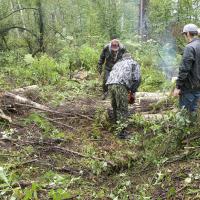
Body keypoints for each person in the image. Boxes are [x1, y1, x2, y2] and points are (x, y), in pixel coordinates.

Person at [106, 53, 141, 138]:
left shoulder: (117, 64)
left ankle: (116, 128)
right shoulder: (134, 63)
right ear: (131, 57)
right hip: (120, 85)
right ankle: (122, 133)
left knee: (115, 107)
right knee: (123, 108)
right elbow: (137, 79)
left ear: (123, 58)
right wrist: (133, 92)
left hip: (110, 85)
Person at [173, 24, 200, 112]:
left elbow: (184, 69)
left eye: (184, 34)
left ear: (188, 33)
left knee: (186, 114)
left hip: (189, 87)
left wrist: (178, 86)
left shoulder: (190, 47)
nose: (184, 36)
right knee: (196, 111)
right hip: (198, 86)